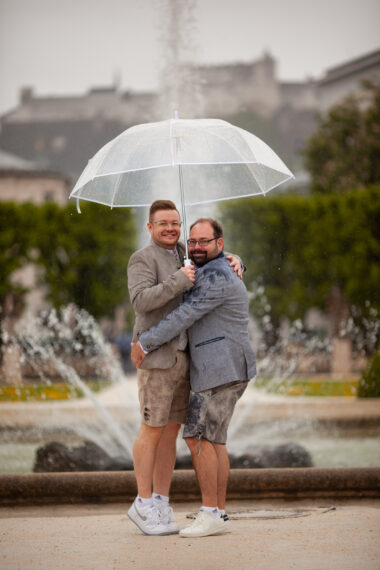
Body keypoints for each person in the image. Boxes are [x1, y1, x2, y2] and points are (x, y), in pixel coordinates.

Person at [131, 217, 256, 538]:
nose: (197, 247)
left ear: (220, 243)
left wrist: (145, 341)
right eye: (194, 241)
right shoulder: (214, 267)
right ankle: (219, 512)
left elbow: (186, 313)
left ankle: (210, 512)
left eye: (205, 241)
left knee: (197, 437)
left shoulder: (216, 275)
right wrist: (239, 260)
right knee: (215, 439)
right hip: (229, 365)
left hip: (219, 366)